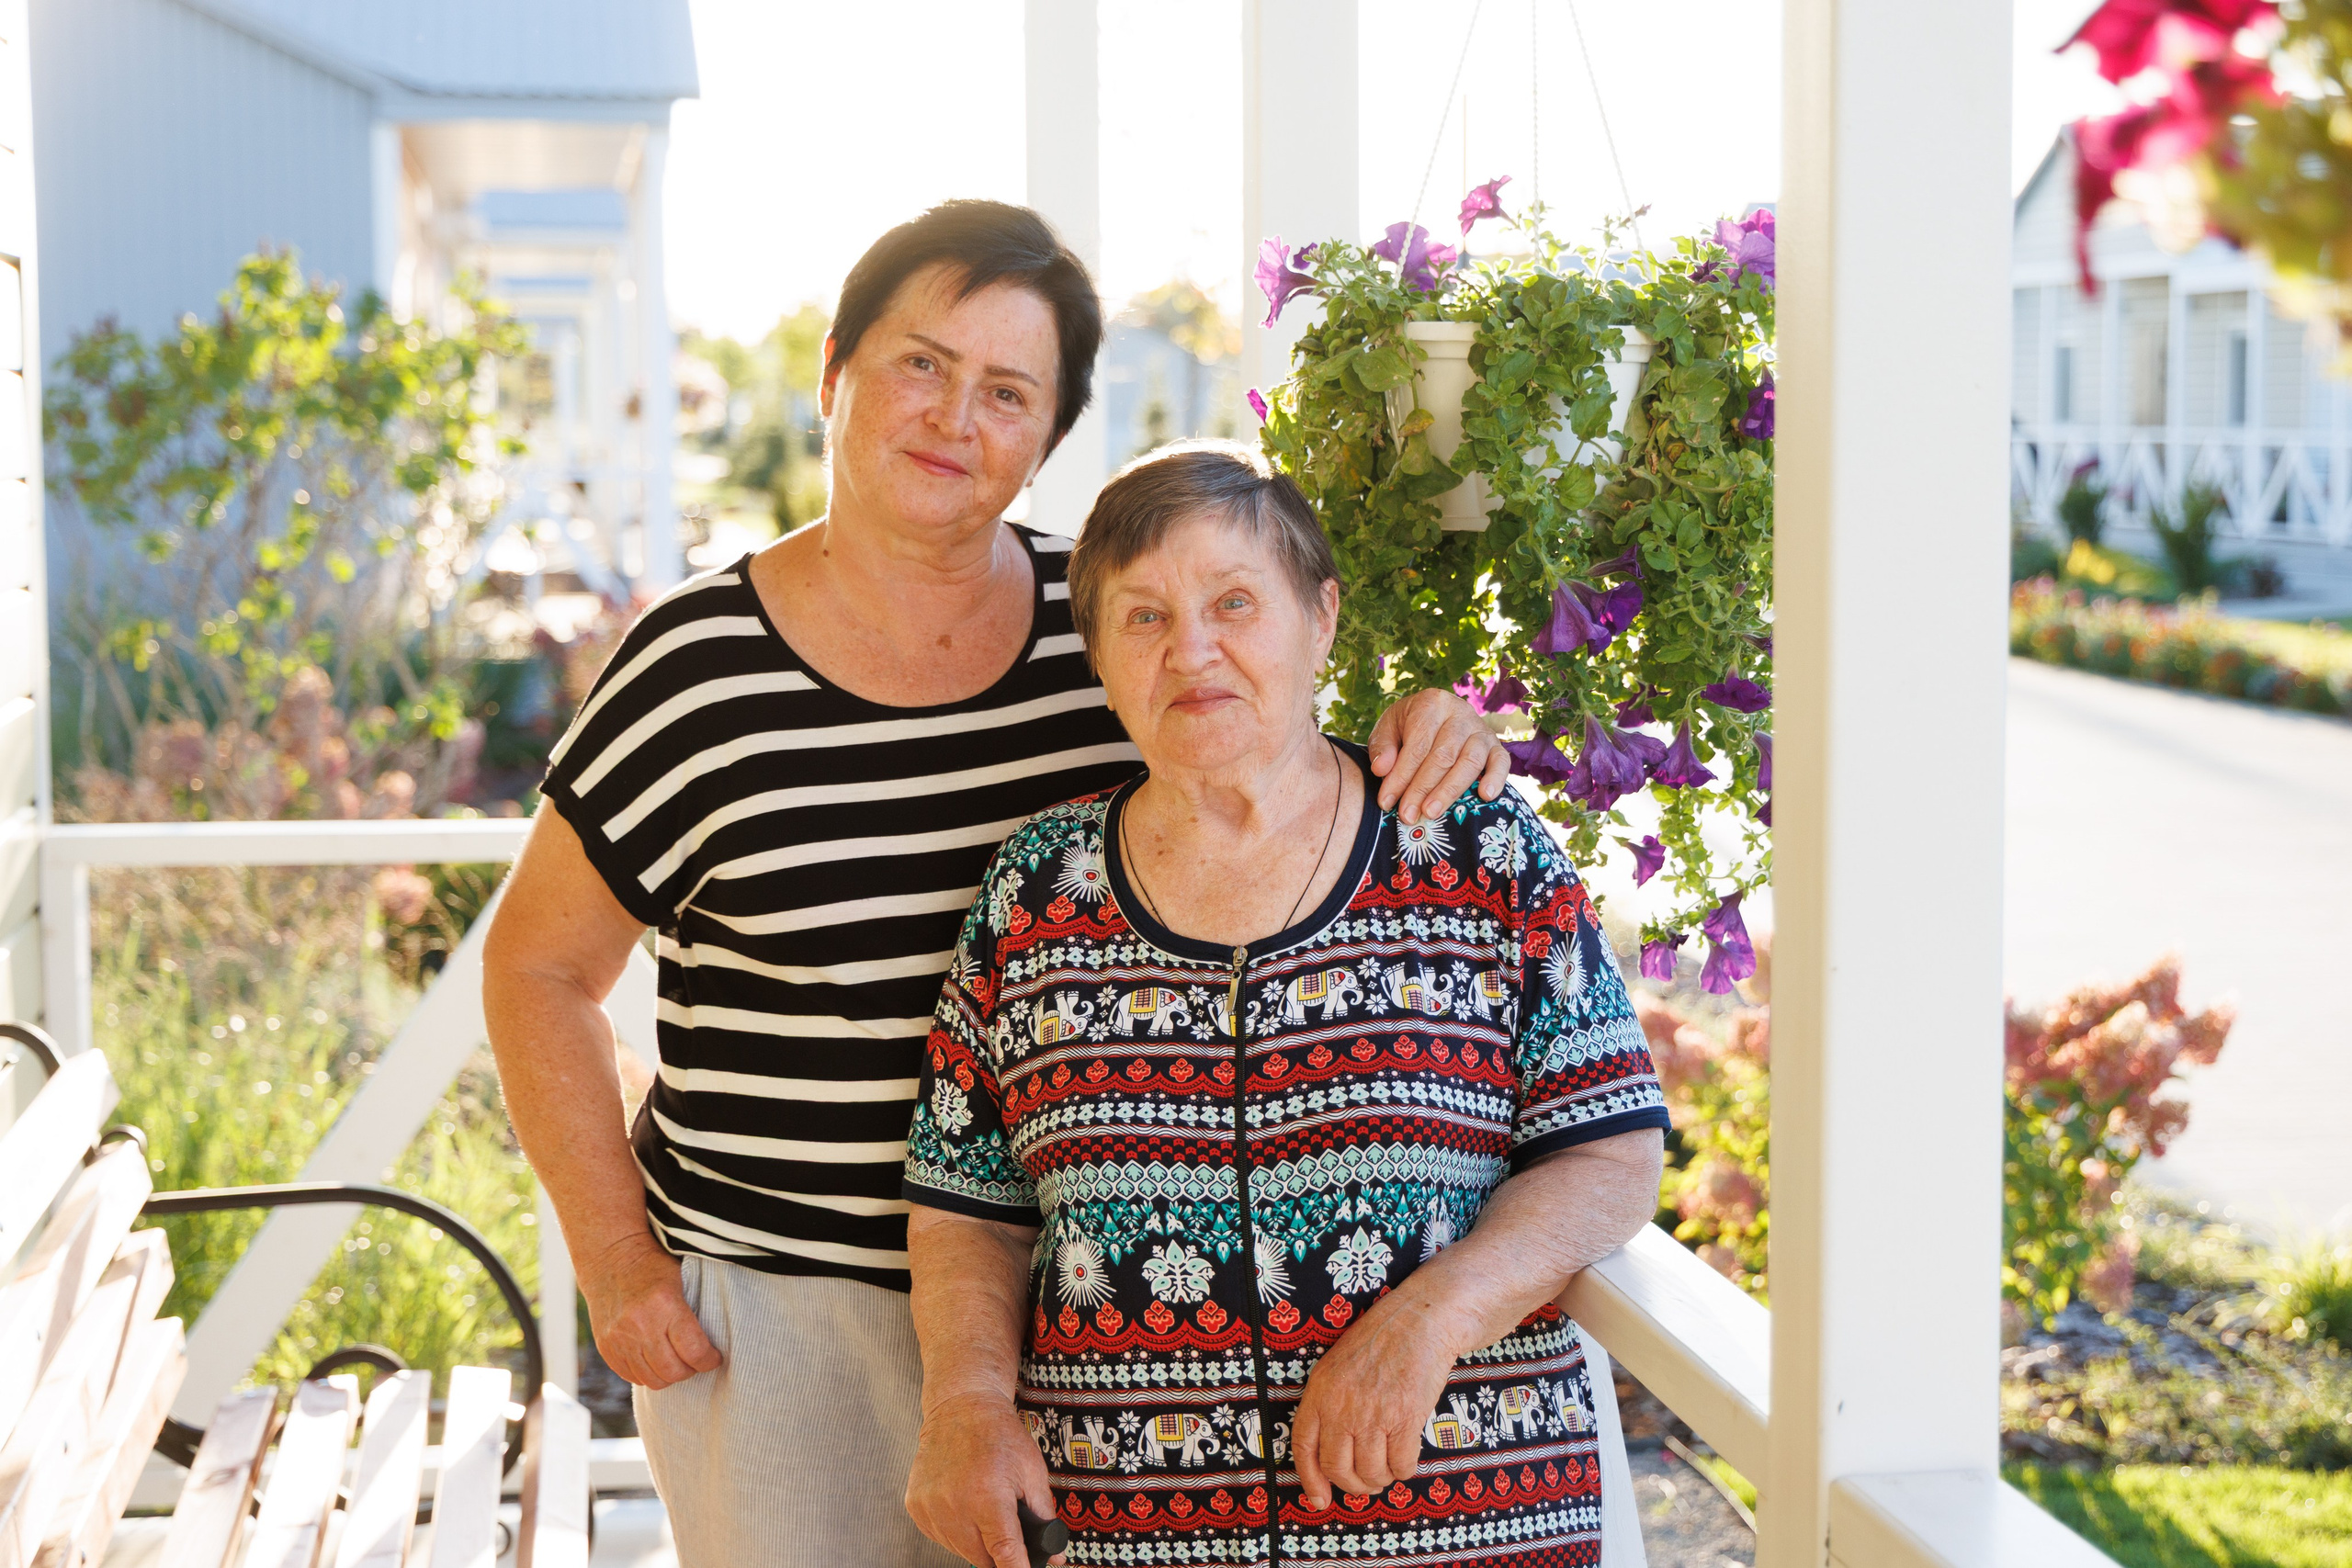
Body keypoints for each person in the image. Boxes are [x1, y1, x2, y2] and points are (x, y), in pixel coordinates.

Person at [482, 202, 1511, 1568]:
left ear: (1045, 438)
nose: (955, 418)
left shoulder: (1115, 629)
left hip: (1086, 1323)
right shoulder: (692, 667)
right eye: (922, 364)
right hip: (785, 1320)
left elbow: (1279, 749)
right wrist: (617, 1260)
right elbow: (537, 968)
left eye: (1008, 392)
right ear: (835, 371)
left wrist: (1437, 720)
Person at [900, 442, 1670, 1568]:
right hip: (1128, 1537)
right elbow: (966, 1206)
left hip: (1460, 1522)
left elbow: (1609, 1153)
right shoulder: (1034, 892)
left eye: (1234, 603)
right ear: (1101, 660)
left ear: (1321, 618)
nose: (1192, 650)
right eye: (1145, 618)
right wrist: (966, 1404)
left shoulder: (1474, 850)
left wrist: (1426, 1324)